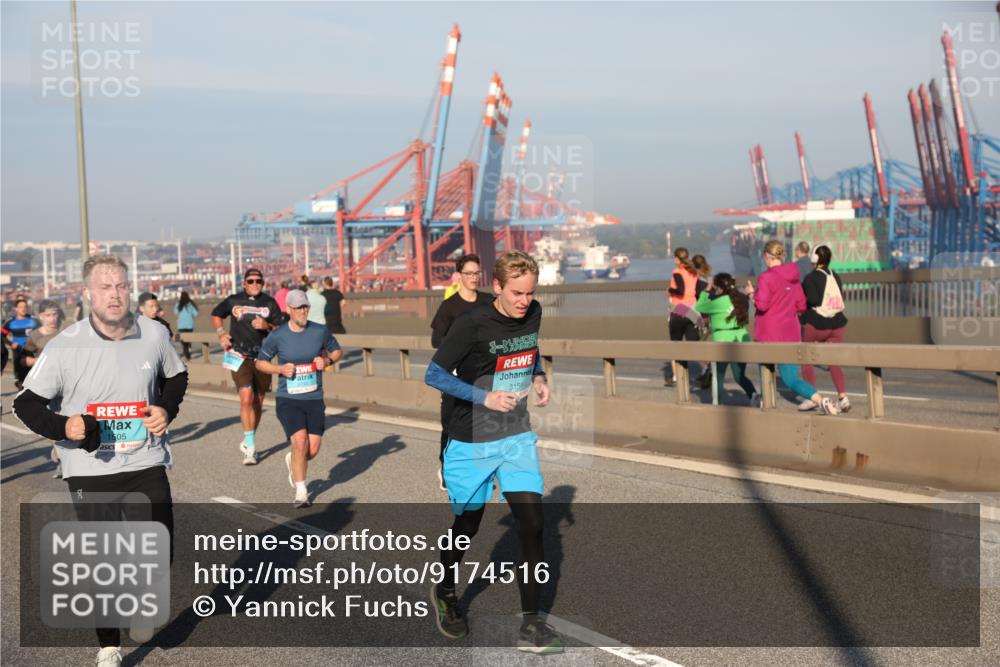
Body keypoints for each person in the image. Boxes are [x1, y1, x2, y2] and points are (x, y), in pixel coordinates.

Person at [12, 255, 188, 667]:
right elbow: (26, 405)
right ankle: (109, 645)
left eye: (122, 286)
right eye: (105, 287)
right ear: (88, 293)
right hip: (91, 469)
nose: (115, 294)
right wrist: (63, 427)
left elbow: (176, 377)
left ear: (130, 288)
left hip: (145, 461)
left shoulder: (154, 334)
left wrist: (165, 408)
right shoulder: (65, 345)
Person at [424, 250, 562, 654]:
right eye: (516, 293)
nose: (524, 301)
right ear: (497, 287)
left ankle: (532, 626)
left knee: (533, 522)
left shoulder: (533, 311)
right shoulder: (470, 324)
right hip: (470, 436)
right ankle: (446, 589)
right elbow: (433, 374)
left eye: (529, 293)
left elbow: (529, 346)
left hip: (515, 433)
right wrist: (483, 397)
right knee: (467, 524)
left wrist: (537, 375)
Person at [255, 290, 342, 508]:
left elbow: (337, 350)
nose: (303, 311)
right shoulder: (278, 336)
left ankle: (294, 460)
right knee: (300, 441)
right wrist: (279, 369)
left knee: (311, 449)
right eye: (298, 308)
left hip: (314, 398)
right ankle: (301, 491)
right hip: (288, 398)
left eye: (305, 307)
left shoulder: (319, 331)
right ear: (289, 310)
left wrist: (328, 360)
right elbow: (260, 363)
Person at [746, 240, 840, 415]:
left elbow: (762, 306)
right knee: (791, 380)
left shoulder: (766, 277)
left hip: (768, 335)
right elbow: (801, 306)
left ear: (767, 256)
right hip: (790, 334)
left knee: (765, 374)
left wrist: (752, 294)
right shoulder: (794, 278)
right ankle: (822, 401)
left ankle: (767, 410)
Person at [428, 254, 493, 491]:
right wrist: (457, 348)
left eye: (477, 273)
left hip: (483, 373)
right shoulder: (450, 306)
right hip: (455, 375)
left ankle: (481, 471)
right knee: (451, 423)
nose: (474, 278)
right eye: (469, 273)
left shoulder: (488, 301)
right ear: (459, 276)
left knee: (484, 422)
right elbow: (436, 340)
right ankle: (445, 467)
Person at [211, 268, 284, 465]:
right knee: (246, 397)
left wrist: (267, 326)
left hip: (263, 358)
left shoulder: (269, 303)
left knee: (258, 402)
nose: (254, 285)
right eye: (250, 281)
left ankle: (248, 437)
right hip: (239, 355)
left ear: (263, 283)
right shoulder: (233, 300)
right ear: (244, 283)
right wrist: (221, 333)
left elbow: (281, 327)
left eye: (258, 281)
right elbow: (216, 314)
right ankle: (250, 448)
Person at [800, 245, 850, 412]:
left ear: (814, 259)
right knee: (833, 361)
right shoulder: (835, 276)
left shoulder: (810, 278)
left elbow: (813, 300)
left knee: (806, 358)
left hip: (817, 325)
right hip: (837, 325)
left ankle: (812, 396)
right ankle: (843, 397)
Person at [694, 274, 758, 405]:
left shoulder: (718, 302)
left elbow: (699, 307)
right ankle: (753, 396)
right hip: (740, 339)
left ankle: (718, 404)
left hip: (722, 342)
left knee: (718, 377)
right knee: (739, 376)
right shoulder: (741, 299)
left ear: (719, 288)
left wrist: (707, 289)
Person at [22, 299, 66, 477]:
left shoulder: (67, 332)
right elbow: (24, 360)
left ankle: (64, 457)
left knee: (70, 419)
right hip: (46, 385)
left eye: (55, 314)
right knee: (54, 422)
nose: (52, 318)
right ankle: (60, 456)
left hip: (68, 383)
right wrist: (38, 361)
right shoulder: (35, 336)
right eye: (47, 315)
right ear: (40, 316)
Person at [664, 248, 703, 387]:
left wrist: (670, 290)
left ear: (676, 259)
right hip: (692, 310)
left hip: (679, 310)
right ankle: (705, 370)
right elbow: (698, 291)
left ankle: (676, 376)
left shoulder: (677, 272)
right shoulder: (694, 273)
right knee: (694, 344)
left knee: (676, 344)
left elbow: (680, 291)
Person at [3, 298, 39, 389]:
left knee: (33, 373)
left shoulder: (34, 320)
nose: (23, 309)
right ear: (16, 309)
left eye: (25, 306)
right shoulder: (10, 322)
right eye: (20, 307)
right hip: (18, 350)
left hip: (32, 350)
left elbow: (42, 332)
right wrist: (11, 344)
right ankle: (21, 385)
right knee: (21, 375)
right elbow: (2, 335)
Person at [173, 291, 199, 361]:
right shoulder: (190, 304)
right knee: (189, 340)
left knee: (183, 341)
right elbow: (196, 314)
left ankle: (187, 356)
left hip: (181, 326)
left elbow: (175, 313)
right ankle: (189, 349)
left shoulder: (178, 304)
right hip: (190, 325)